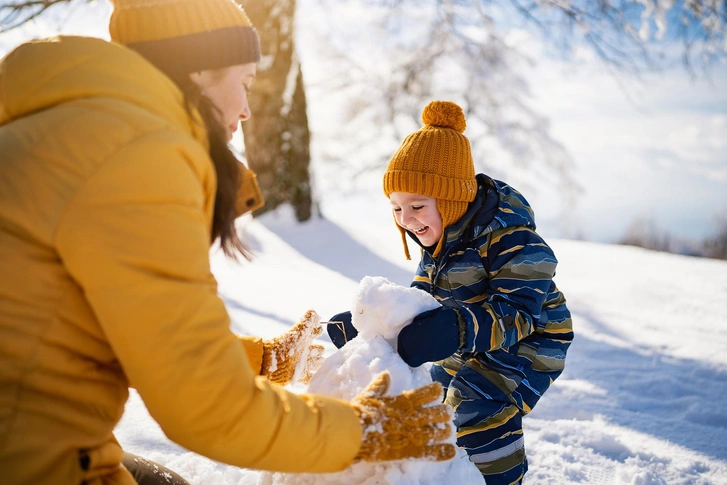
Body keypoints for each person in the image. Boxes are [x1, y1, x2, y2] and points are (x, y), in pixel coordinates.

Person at [0, 1, 457, 484]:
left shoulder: (75, 131)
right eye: (243, 81)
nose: (244, 108)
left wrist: (262, 361)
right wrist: (362, 432)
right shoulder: (134, 156)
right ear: (197, 69)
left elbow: (144, 329)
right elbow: (203, 403)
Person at [328, 100, 574, 484]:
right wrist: (377, 330)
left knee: (475, 402)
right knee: (433, 396)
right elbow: (420, 301)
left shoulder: (511, 238)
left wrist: (454, 330)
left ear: (452, 198)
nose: (406, 220)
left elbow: (519, 312)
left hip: (532, 340)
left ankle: (500, 479)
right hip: (472, 337)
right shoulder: (439, 243)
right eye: (396, 208)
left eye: (416, 206)